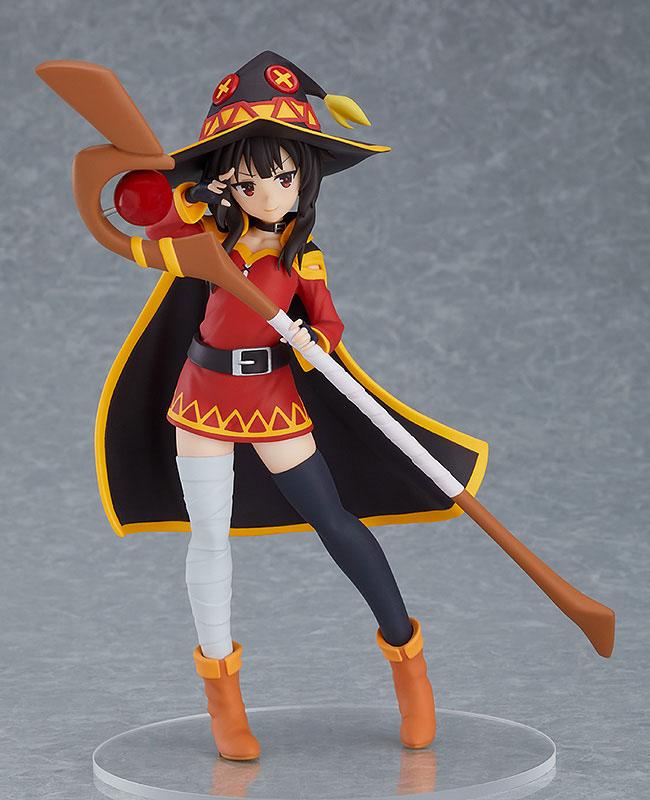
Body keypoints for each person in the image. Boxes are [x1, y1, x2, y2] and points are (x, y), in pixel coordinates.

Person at [98, 51, 488, 761]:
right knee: (209, 538)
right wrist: (185, 196)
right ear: (230, 180)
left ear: (305, 177)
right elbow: (148, 228)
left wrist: (315, 342)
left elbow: (329, 323)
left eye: (284, 177)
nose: (272, 194)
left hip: (272, 399)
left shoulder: (300, 257)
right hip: (202, 397)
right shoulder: (208, 242)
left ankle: (408, 663)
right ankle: (223, 701)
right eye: (252, 181)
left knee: (333, 520)